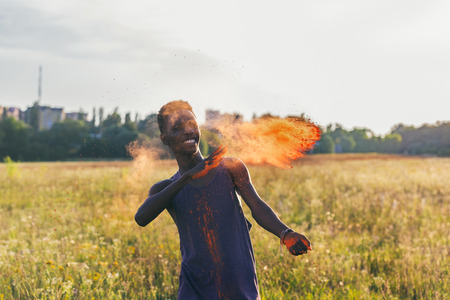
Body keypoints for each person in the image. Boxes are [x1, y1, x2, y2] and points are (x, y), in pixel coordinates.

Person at [135, 100, 311, 300]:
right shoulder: (165, 188)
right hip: (195, 288)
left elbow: (257, 206)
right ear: (164, 138)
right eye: (177, 128)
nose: (188, 131)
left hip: (238, 284)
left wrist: (285, 233)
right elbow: (141, 217)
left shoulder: (229, 168)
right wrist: (188, 176)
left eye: (192, 125)